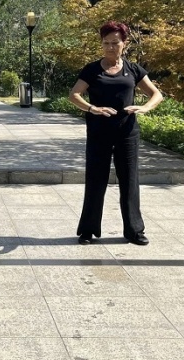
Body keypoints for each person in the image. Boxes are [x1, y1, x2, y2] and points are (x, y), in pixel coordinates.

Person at [69, 21, 163, 246]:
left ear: (124, 43)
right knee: (96, 180)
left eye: (115, 43)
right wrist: (93, 108)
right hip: (99, 133)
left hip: (127, 133)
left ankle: (134, 230)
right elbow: (74, 95)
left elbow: (157, 94)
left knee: (130, 181)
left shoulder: (133, 69)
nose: (110, 47)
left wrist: (145, 107)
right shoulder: (92, 69)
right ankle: (88, 230)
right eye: (106, 43)